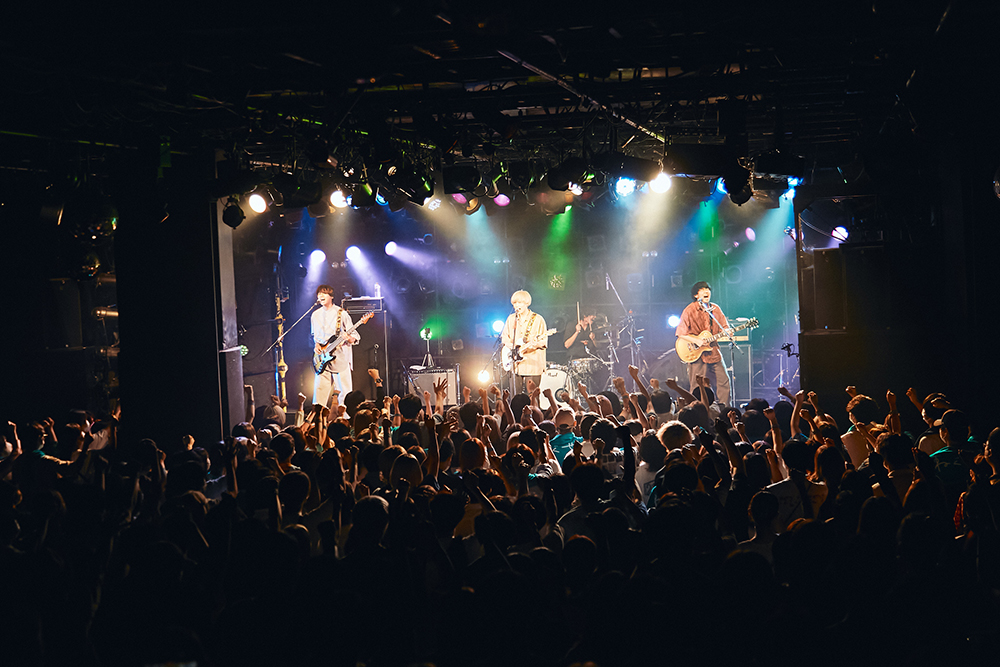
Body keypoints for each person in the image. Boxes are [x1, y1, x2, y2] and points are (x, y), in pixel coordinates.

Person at [675, 280, 732, 407]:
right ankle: (696, 409)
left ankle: (726, 410)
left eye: (708, 289)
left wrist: (728, 332)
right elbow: (680, 333)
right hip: (697, 354)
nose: (707, 291)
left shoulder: (715, 309)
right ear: (696, 295)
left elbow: (724, 327)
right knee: (697, 385)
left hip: (713, 351)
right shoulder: (689, 310)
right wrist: (697, 341)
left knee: (724, 381)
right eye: (703, 289)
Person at [311, 284, 360, 409]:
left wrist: (348, 338)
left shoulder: (341, 314)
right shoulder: (315, 315)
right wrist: (316, 345)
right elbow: (314, 335)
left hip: (339, 357)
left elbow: (355, 336)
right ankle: (318, 417)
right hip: (322, 357)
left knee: (344, 391)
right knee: (319, 392)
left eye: (324, 293)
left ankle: (345, 417)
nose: (321, 296)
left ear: (331, 296)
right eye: (319, 294)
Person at [501, 290, 548, 393]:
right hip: (515, 365)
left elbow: (543, 341)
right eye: (514, 303)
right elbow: (504, 337)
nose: (516, 305)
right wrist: (513, 348)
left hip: (532, 364)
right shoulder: (511, 319)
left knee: (532, 396)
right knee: (515, 397)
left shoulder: (538, 319)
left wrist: (535, 344)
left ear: (526, 303)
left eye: (519, 302)